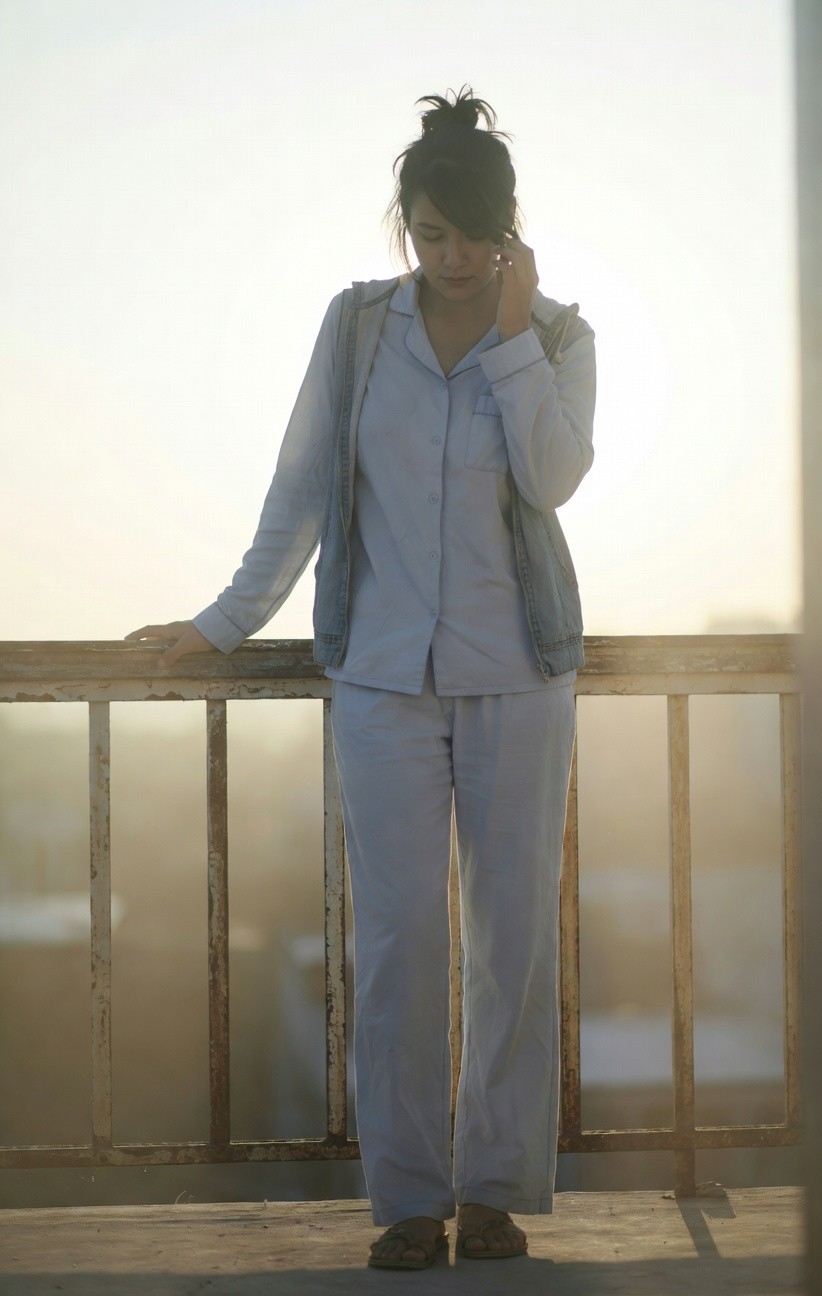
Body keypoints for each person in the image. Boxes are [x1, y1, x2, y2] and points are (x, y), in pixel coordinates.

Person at [127, 86, 596, 1270]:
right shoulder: (356, 331)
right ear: (405, 224)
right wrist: (223, 622)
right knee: (396, 943)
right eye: (430, 235)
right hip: (383, 681)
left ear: (510, 228)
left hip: (518, 680)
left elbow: (553, 480)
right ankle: (404, 1201)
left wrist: (511, 330)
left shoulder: (559, 335)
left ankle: (492, 1192)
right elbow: (299, 493)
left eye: (473, 238)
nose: (451, 258)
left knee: (512, 942)